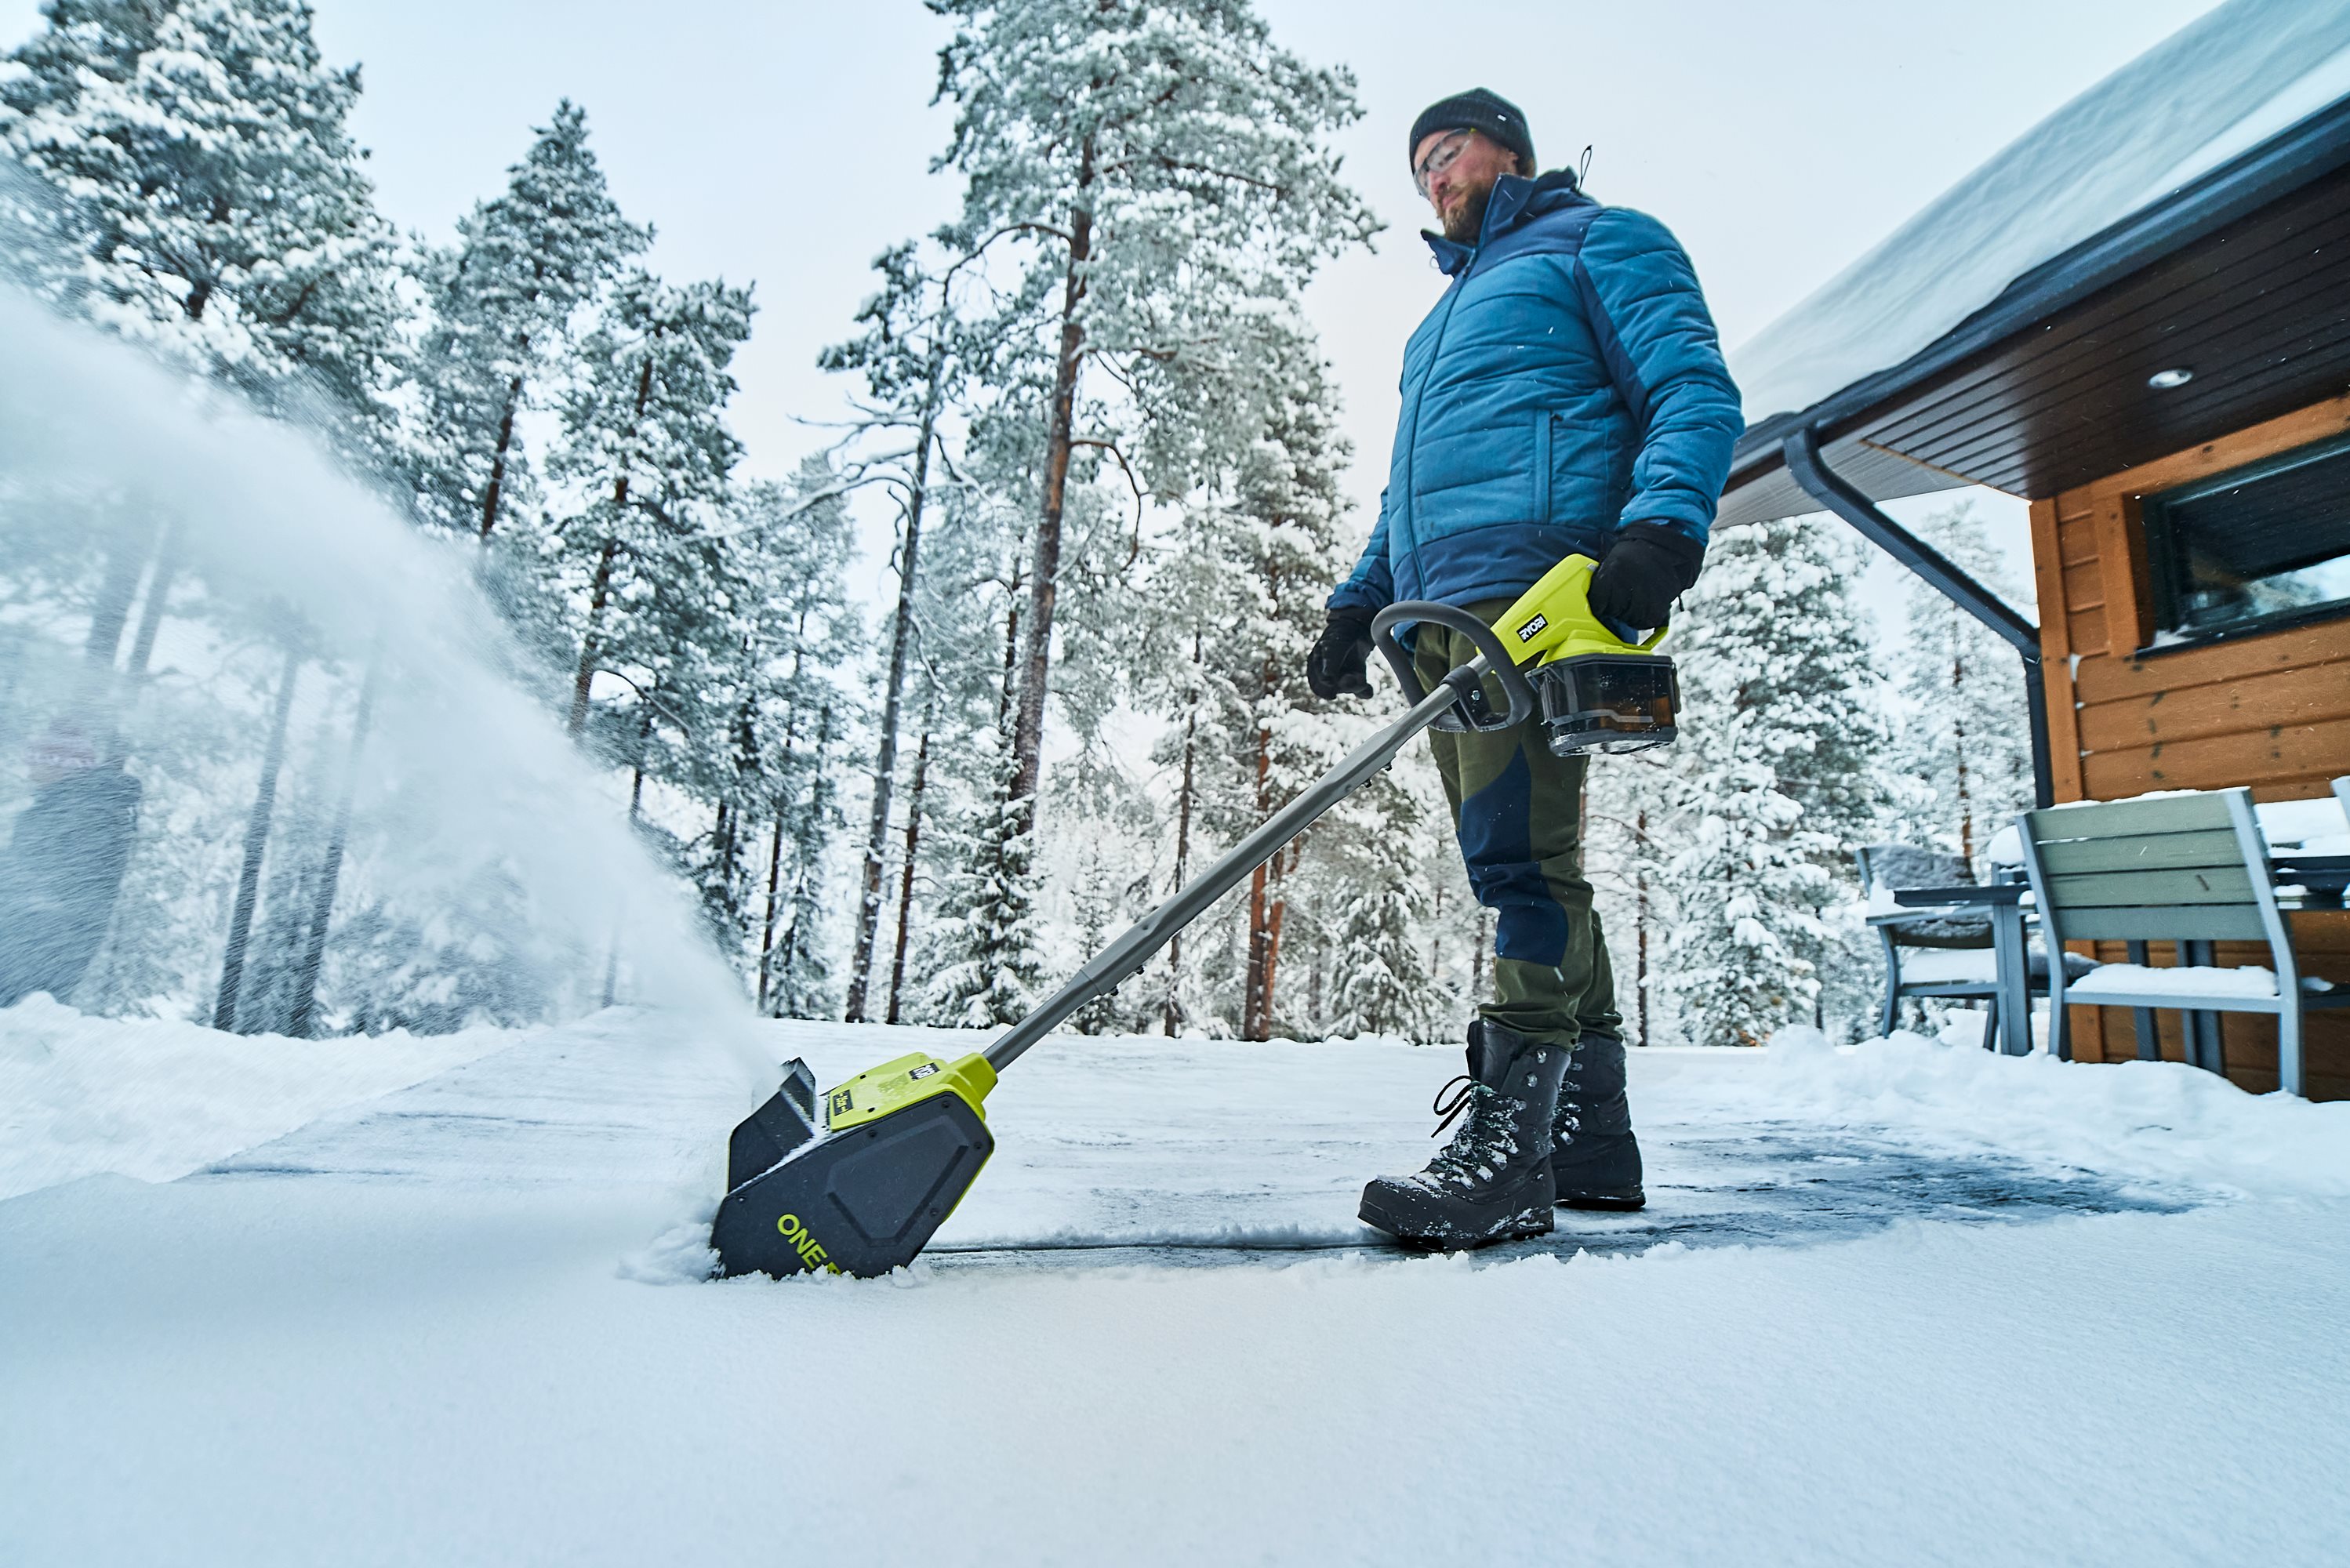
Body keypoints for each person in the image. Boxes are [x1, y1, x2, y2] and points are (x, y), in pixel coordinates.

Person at [1309, 89, 1742, 1247]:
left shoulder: (1602, 241)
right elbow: (1405, 491)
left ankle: (1509, 1145)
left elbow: (1693, 391)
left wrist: (1661, 531)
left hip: (1544, 599)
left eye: (1445, 154)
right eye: (1417, 172)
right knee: (1529, 860)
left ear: (1510, 152)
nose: (1433, 180)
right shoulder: (1436, 323)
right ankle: (1592, 1140)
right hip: (1439, 610)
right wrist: (1357, 607)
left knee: (1518, 863)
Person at [0, 718, 143, 1009]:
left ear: (57, 765)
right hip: (41, 934)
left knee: (23, 1016)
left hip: (46, 937)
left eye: (36, 762)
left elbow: (60, 877)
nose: (29, 771)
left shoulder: (85, 811)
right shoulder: (65, 807)